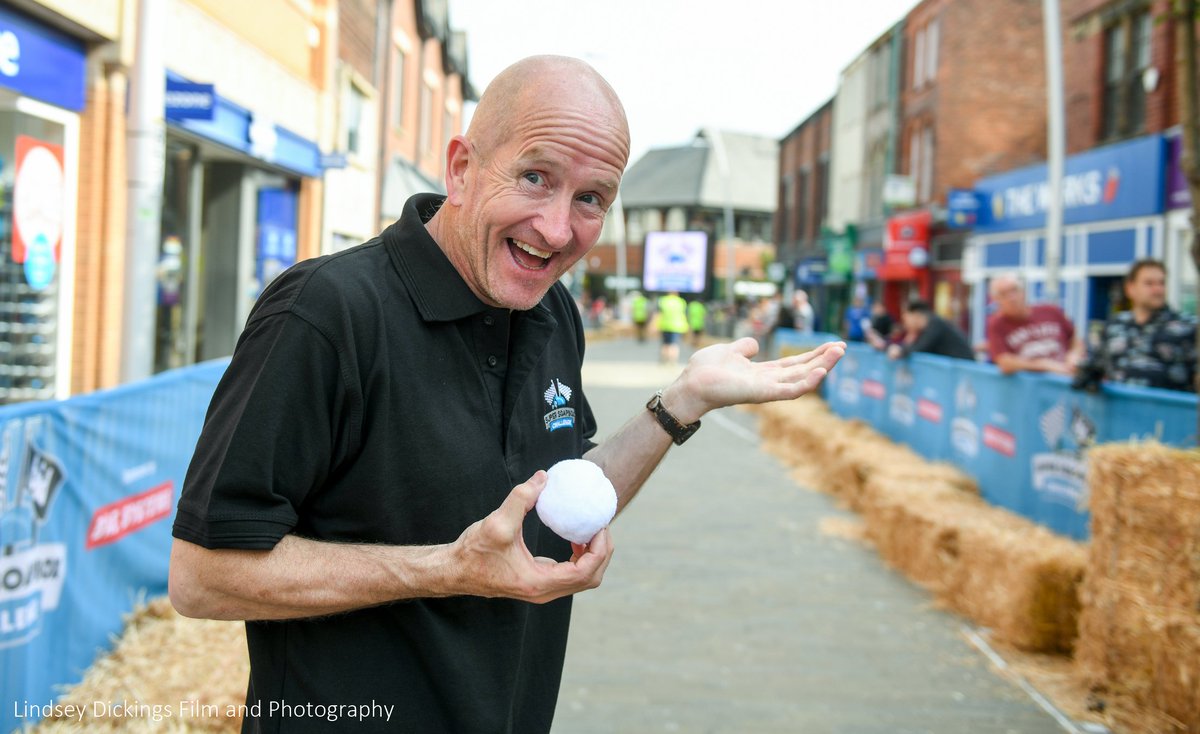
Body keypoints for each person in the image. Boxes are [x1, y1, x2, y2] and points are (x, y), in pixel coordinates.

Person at [167, 55, 846, 734]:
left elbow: (560, 499)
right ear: (462, 168)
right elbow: (202, 575)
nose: (556, 229)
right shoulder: (328, 312)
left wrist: (681, 404)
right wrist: (447, 569)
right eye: (534, 177)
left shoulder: (553, 315)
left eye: (590, 198)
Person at [1072, 259, 1196, 392]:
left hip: (1169, 411)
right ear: (1130, 289)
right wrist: (1088, 373)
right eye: (1149, 283)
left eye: (1162, 283)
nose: (1158, 289)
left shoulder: (1187, 327)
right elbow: (1096, 364)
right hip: (1120, 411)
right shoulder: (1114, 326)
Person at [985, 274, 1084, 375]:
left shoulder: (1050, 310)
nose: (1011, 298)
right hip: (1033, 387)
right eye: (1003, 294)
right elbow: (1004, 362)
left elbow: (1074, 338)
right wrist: (1043, 365)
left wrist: (1074, 356)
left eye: (1014, 290)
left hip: (1068, 379)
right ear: (995, 299)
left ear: (1024, 291)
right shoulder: (996, 324)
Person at [887, 299, 975, 361]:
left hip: (963, 372)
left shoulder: (935, 325)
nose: (905, 323)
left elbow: (920, 347)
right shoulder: (929, 327)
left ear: (916, 315)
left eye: (906, 319)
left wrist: (900, 351)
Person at [656, 289, 689, 364]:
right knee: (674, 344)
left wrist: (655, 325)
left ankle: (664, 359)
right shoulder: (681, 301)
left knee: (665, 343)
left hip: (665, 325)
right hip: (677, 326)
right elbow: (685, 314)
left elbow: (659, 314)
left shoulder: (663, 301)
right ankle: (673, 360)